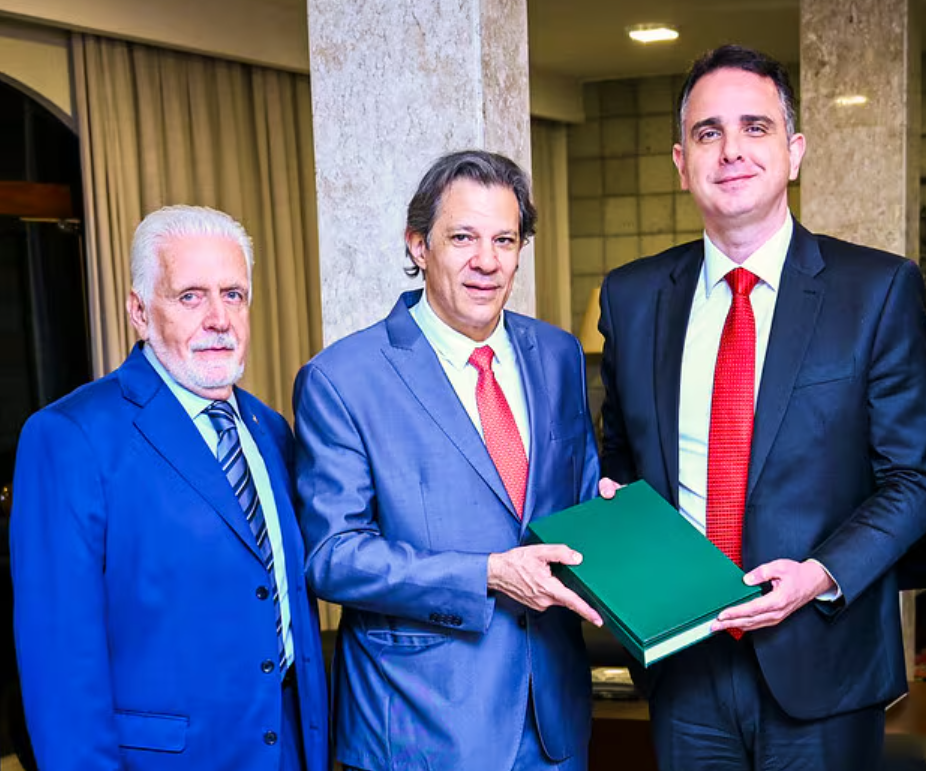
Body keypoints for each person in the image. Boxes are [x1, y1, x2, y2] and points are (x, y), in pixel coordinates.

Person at [596, 44, 926, 770]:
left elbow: (913, 481)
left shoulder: (876, 290)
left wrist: (818, 574)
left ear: (794, 152)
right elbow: (621, 461)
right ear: (681, 162)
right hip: (682, 664)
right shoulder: (632, 296)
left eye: (755, 127)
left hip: (823, 658)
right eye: (708, 132)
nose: (731, 151)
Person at [294, 150, 601, 771]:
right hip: (422, 728)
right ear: (418, 245)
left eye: (504, 240)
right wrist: (486, 573)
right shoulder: (342, 379)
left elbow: (578, 495)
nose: (486, 261)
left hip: (554, 721)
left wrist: (608, 516)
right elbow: (333, 558)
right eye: (463, 237)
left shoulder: (558, 354)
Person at [9, 205, 329, 770]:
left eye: (233, 294)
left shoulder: (270, 429)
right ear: (139, 311)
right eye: (190, 297)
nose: (218, 319)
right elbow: (60, 671)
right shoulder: (69, 438)